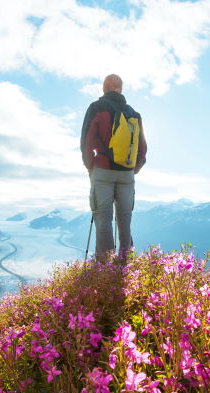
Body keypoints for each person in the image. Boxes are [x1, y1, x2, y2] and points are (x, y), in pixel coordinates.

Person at [80, 74, 147, 261]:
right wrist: (134, 168)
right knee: (125, 221)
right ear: (121, 89)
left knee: (103, 220)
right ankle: (126, 265)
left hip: (102, 170)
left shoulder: (96, 108)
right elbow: (142, 147)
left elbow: (86, 140)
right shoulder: (133, 113)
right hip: (126, 174)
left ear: (103, 88)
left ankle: (104, 269)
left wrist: (90, 166)